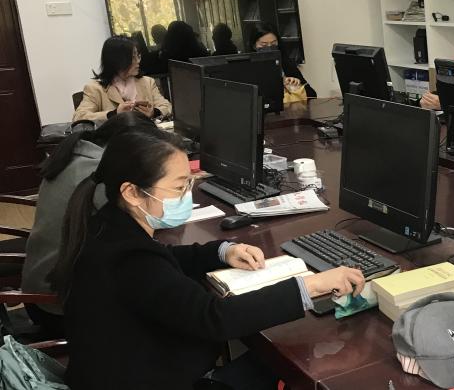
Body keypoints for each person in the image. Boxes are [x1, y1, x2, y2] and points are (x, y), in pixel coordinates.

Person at [51, 130, 366, 390]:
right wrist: (311, 286)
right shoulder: (129, 258)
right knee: (301, 358)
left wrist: (221, 251)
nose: (187, 194)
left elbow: (164, 259)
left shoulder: (108, 225)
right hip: (146, 377)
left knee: (274, 361)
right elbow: (214, 318)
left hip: (129, 370)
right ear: (132, 192)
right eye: (179, 186)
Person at [21, 112, 155, 335]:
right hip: (59, 307)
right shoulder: (95, 172)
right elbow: (136, 222)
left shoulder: (76, 155)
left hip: (40, 289)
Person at [73, 35, 172, 123]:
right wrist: (114, 114)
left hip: (147, 135)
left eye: (138, 56)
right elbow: (79, 117)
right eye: (133, 57)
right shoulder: (95, 88)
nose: (138, 61)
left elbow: (167, 106)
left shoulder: (147, 82)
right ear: (117, 60)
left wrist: (154, 112)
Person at [250, 22, 318, 98]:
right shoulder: (248, 67)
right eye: (264, 45)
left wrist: (296, 85)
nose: (269, 48)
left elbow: (312, 94)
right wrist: (280, 83)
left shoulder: (286, 62)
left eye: (273, 44)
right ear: (254, 46)